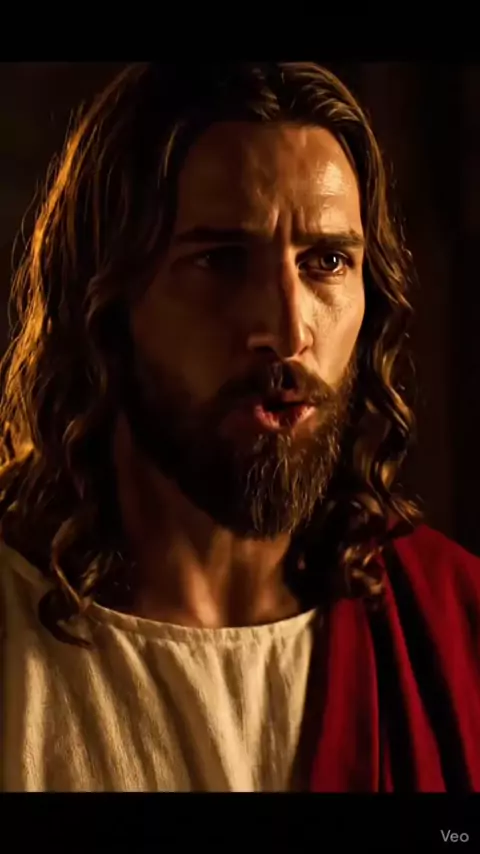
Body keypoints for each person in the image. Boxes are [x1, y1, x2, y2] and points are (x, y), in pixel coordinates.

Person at [0, 61, 479, 794]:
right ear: (106, 298)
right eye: (221, 261)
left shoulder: (454, 625)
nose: (287, 331)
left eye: (326, 261)